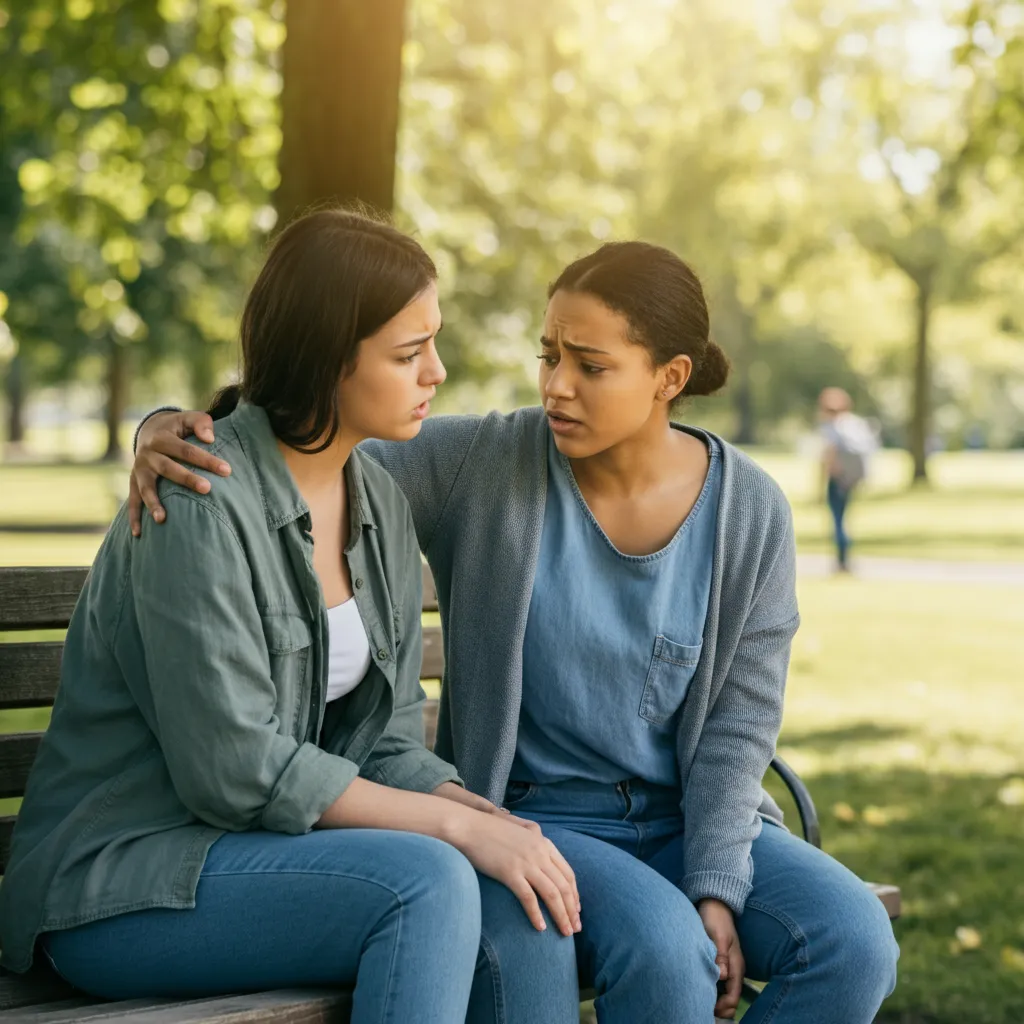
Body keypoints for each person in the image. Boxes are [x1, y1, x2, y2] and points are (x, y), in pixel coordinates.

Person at [132, 240, 899, 1023]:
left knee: (853, 941)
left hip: (689, 821)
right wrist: (168, 428)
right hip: (533, 817)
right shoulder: (482, 462)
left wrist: (716, 884)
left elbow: (740, 724)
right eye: (549, 354)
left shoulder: (749, 511)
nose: (557, 386)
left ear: (670, 377)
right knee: (670, 957)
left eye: (590, 366)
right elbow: (301, 443)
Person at [0, 210, 585, 1024]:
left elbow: (384, 734)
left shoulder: (377, 495)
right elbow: (232, 766)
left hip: (263, 858)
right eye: (408, 353)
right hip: (121, 880)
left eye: (433, 344)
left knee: (522, 898)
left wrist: (483, 818)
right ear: (325, 360)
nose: (437, 373)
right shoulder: (198, 499)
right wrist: (450, 833)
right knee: (431, 880)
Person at [818, 387, 876, 572]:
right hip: (851, 480)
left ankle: (842, 561)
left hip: (837, 480)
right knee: (843, 519)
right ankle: (845, 560)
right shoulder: (854, 424)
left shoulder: (832, 427)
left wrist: (821, 481)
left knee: (838, 521)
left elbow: (830, 456)